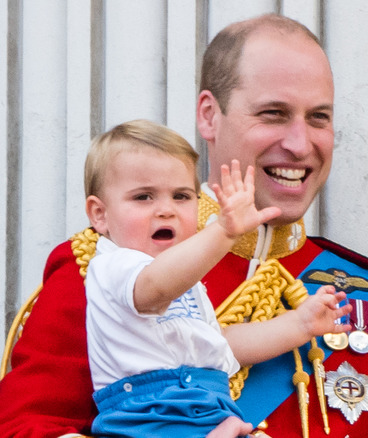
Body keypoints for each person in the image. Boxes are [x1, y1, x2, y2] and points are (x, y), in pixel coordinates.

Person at [0, 13, 368, 438]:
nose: (300, 143)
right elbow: (24, 426)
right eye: (273, 113)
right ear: (209, 115)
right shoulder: (103, 265)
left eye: (319, 117)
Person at [82, 120, 350, 436]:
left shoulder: (187, 283)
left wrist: (298, 325)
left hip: (202, 409)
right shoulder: (114, 265)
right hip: (151, 415)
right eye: (143, 197)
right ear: (100, 214)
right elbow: (154, 286)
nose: (166, 210)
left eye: (181, 196)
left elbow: (221, 344)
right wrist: (223, 231)